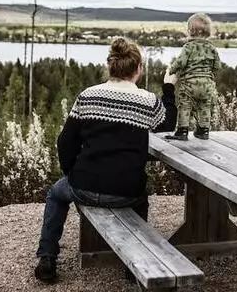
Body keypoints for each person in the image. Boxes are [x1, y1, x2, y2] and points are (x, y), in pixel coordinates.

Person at [34, 37, 177, 283]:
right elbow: (168, 124)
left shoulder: (88, 96)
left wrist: (72, 174)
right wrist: (169, 88)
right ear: (138, 69)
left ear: (109, 66)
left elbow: (64, 142)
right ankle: (134, 264)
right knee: (142, 200)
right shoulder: (148, 102)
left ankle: (47, 257)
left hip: (83, 186)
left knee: (56, 194)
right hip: (126, 192)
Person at [166, 12, 221, 141]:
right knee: (205, 106)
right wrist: (209, 74)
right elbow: (217, 66)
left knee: (185, 105)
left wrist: (171, 70)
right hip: (207, 84)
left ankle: (182, 131)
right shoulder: (212, 48)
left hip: (189, 84)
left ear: (190, 31)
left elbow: (181, 62)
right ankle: (203, 130)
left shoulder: (188, 47)